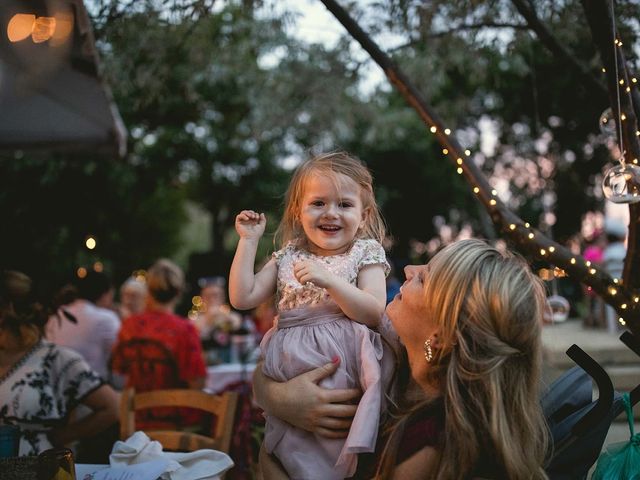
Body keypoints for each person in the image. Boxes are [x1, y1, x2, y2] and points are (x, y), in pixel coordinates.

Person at [254, 239, 550, 479]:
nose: (408, 269)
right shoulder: (396, 358)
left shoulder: (431, 447)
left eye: (423, 279)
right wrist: (275, 396)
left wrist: (269, 465)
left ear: (441, 337)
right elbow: (271, 367)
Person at [229, 151, 390, 479]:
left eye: (344, 204)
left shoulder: (365, 252)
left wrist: (330, 281)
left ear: (364, 214)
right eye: (318, 203)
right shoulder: (287, 255)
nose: (331, 213)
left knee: (331, 441)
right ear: (297, 211)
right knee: (292, 448)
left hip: (338, 363)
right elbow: (242, 296)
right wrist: (248, 242)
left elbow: (374, 311)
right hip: (288, 369)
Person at [0, 270, 119, 456]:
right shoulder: (107, 319)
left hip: (35, 468)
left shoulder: (54, 358)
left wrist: (61, 438)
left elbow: (112, 407)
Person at [111, 259, 206, 429]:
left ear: (148, 290)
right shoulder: (184, 330)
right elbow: (197, 384)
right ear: (178, 292)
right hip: (175, 420)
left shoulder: (129, 325)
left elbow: (119, 368)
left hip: (136, 417)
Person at [46, 270, 120, 379]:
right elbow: (122, 356)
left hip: (53, 381)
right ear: (105, 295)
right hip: (91, 387)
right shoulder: (105, 318)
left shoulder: (56, 315)